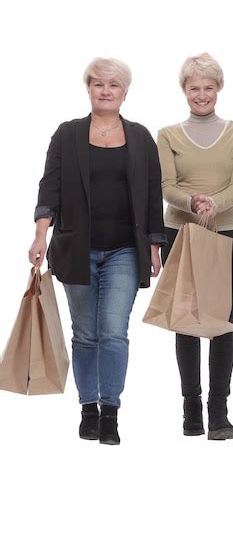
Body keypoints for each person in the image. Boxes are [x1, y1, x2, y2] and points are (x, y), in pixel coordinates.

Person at [29, 57, 166, 445]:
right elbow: (49, 189)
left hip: (125, 249)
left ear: (125, 92)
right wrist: (41, 235)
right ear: (88, 88)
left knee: (113, 331)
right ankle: (88, 407)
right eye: (98, 84)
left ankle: (111, 411)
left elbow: (152, 194)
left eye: (113, 85)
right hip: (76, 247)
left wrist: (155, 245)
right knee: (86, 334)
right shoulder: (67, 134)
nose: (105, 91)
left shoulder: (140, 137)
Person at [157, 52, 233, 440]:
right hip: (180, 234)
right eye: (194, 88)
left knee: (222, 324)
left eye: (208, 87)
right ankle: (191, 408)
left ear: (219, 89)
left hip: (226, 231)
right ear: (184, 90)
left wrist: (216, 204)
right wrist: (193, 202)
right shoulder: (167, 135)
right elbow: (166, 187)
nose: (201, 94)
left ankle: (220, 410)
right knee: (186, 322)